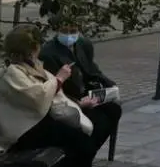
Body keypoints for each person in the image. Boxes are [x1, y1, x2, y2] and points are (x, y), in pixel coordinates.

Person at [0, 25, 107, 167]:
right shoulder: (12, 72)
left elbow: (49, 96)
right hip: (24, 132)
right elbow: (38, 97)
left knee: (85, 137)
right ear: (31, 50)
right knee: (81, 143)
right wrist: (59, 79)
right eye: (37, 46)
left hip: (35, 122)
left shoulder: (29, 66)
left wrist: (77, 104)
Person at [39, 17, 122, 148]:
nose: (69, 35)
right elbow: (53, 89)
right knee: (96, 123)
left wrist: (110, 85)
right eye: (64, 31)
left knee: (114, 109)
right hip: (69, 98)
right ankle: (87, 150)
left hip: (87, 92)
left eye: (73, 31)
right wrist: (79, 103)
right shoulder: (48, 53)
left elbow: (92, 69)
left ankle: (91, 148)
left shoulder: (83, 44)